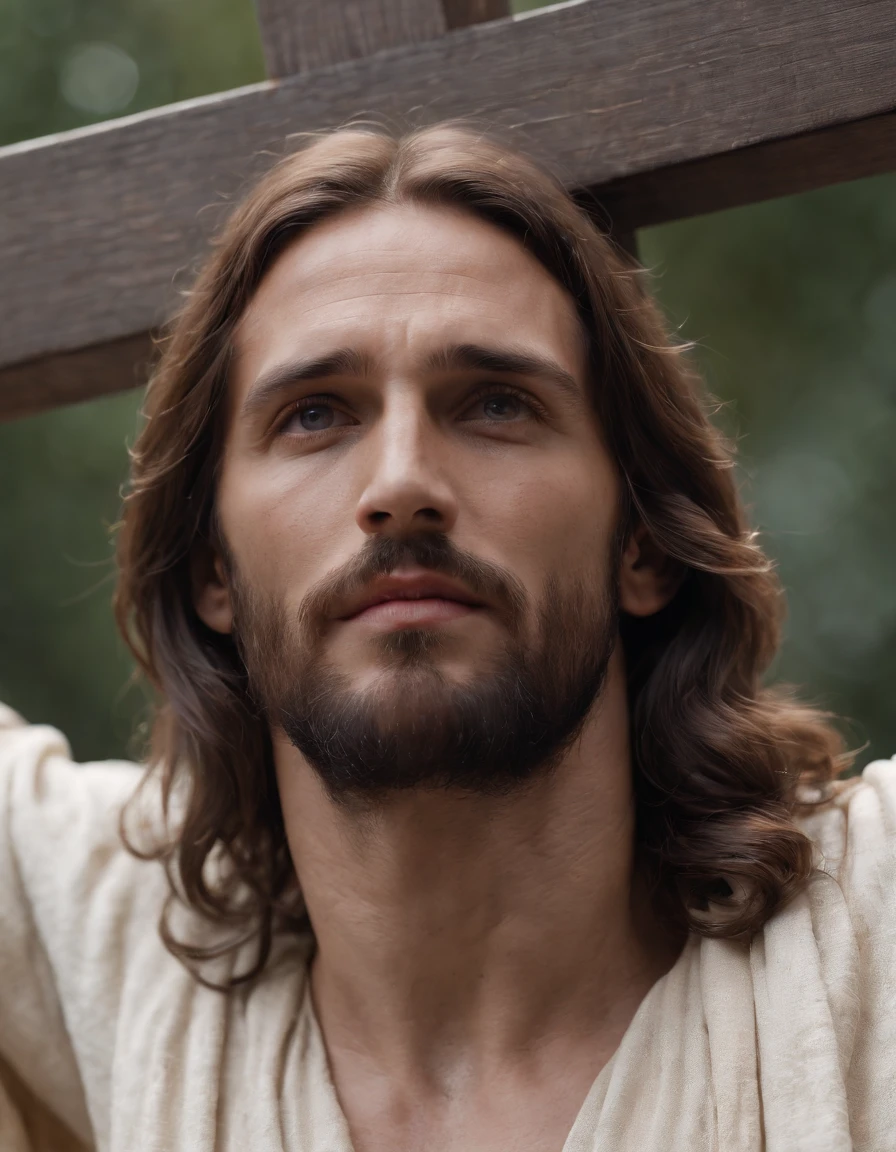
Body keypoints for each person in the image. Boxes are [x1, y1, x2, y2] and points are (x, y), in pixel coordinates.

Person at [0, 124, 892, 1152]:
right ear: (214, 572)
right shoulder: (130, 953)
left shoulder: (862, 937)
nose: (400, 486)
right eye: (314, 415)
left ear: (639, 541)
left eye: (496, 404)